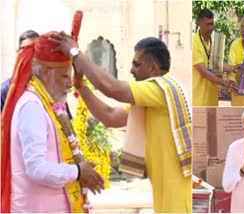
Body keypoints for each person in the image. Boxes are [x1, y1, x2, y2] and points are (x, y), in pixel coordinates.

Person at [50, 34, 192, 212]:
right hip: (168, 192)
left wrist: (75, 52)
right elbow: (110, 116)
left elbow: (113, 88)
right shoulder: (149, 97)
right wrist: (80, 86)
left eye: (136, 64)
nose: (132, 70)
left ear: (153, 68)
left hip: (177, 194)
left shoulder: (161, 88)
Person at [1, 32, 104, 213]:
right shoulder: (32, 106)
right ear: (47, 73)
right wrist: (78, 172)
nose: (70, 83)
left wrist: (80, 169)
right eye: (65, 76)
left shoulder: (47, 103)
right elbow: (36, 169)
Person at [192, 8, 239, 106]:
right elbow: (204, 72)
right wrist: (224, 83)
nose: (211, 27)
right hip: (198, 101)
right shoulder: (193, 42)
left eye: (212, 24)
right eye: (208, 24)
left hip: (212, 100)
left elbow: (217, 63)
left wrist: (233, 68)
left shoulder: (215, 40)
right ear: (199, 23)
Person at [1, 30, 39, 112]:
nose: (30, 54)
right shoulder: (5, 90)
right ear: (18, 53)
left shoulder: (49, 90)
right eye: (25, 49)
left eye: (34, 49)